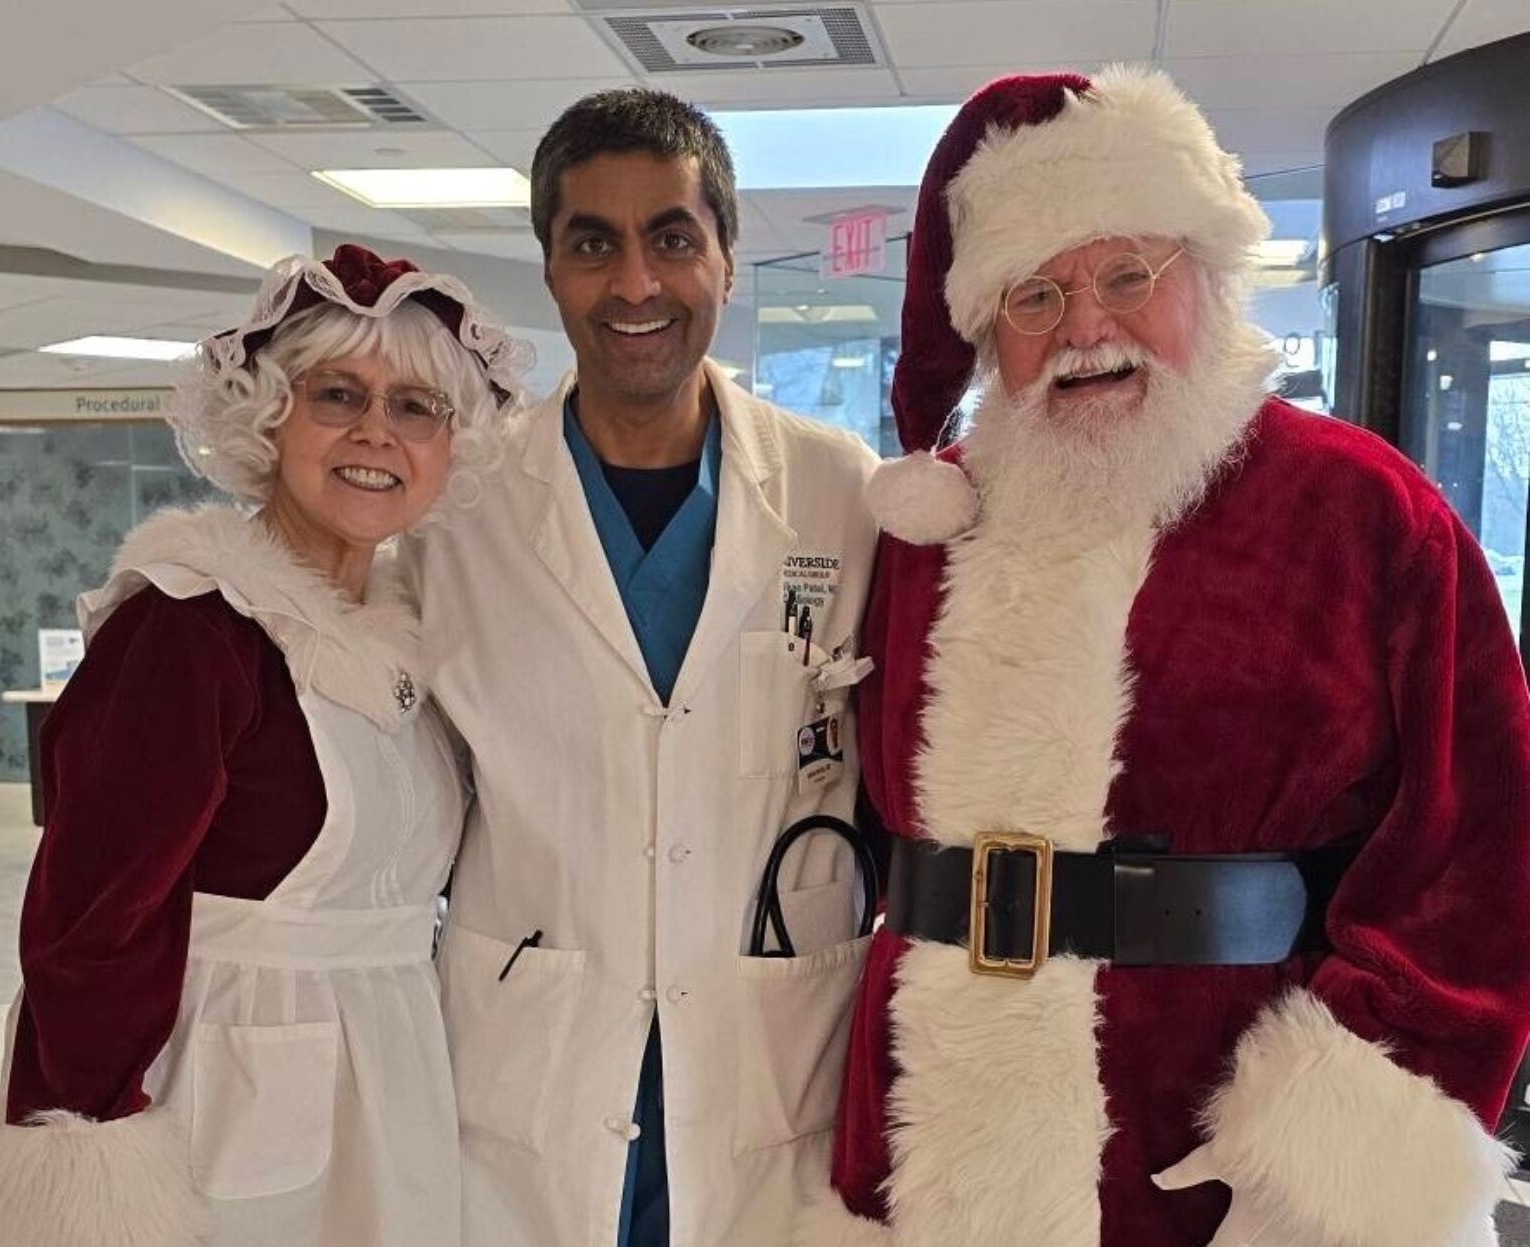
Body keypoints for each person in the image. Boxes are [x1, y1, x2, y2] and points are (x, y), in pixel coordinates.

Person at [799, 67, 1530, 1247]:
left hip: (1209, 1150)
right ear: (989, 331)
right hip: (932, 1128)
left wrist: (1336, 1141)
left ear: (1207, 279)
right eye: (1035, 296)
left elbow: (1477, 847)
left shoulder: (1360, 511)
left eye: (1126, 276)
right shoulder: (935, 527)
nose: (1085, 327)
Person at [0, 244, 527, 1247]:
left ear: (451, 447)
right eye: (336, 394)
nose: (373, 433)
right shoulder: (188, 629)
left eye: (414, 407)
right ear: (267, 415)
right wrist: (87, 1152)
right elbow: (86, 927)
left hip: (393, 1084)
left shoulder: (417, 643)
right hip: (220, 1094)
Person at [406, 89, 880, 1247]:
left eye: (671, 236)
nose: (634, 285)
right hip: (532, 1057)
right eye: (591, 243)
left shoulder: (841, 492)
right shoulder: (456, 509)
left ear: (724, 252)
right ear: (550, 266)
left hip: (770, 1060)